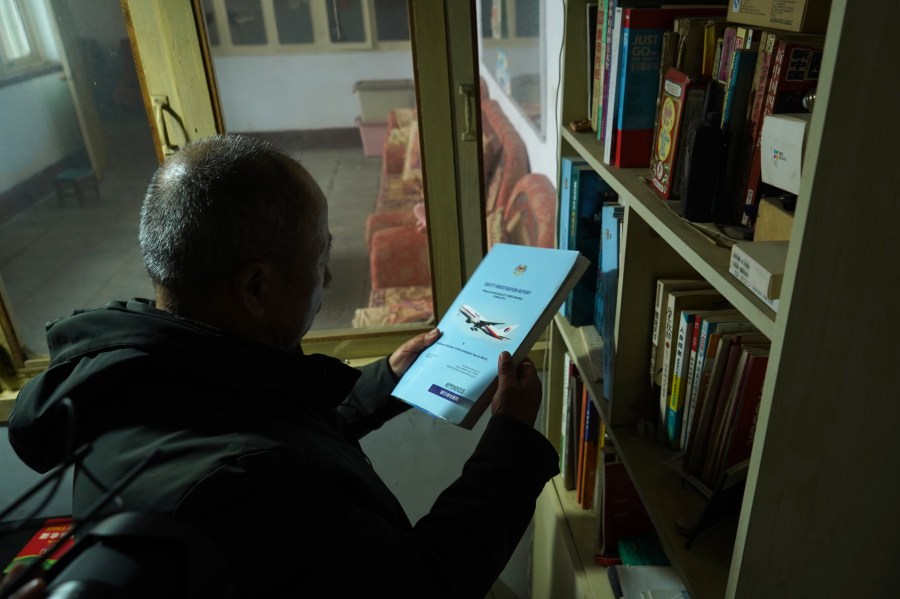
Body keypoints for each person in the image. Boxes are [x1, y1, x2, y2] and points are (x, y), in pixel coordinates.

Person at [8, 134, 560, 597]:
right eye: (320, 259)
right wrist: (510, 439)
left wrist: (387, 379)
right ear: (256, 287)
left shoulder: (140, 372)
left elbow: (273, 425)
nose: (327, 280)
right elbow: (425, 582)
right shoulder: (246, 492)